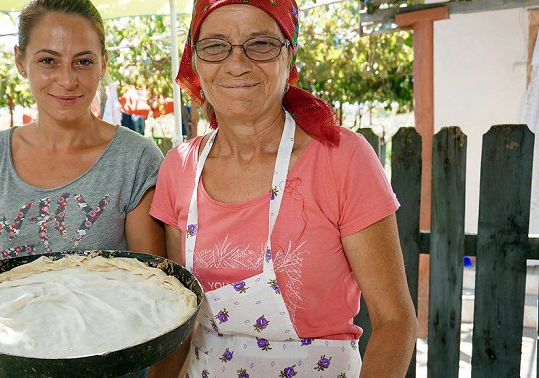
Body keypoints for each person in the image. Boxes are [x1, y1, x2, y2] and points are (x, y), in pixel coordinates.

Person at [149, 0, 417, 377]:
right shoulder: (179, 168)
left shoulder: (342, 158)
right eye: (215, 45)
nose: (237, 63)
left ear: (290, 57)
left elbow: (394, 320)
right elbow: (180, 317)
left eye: (261, 44)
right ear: (194, 60)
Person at [0, 0, 164, 276]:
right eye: (48, 61)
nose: (67, 80)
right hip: (13, 319)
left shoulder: (136, 159)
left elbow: (150, 278)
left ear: (103, 63)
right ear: (20, 61)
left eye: (83, 61)